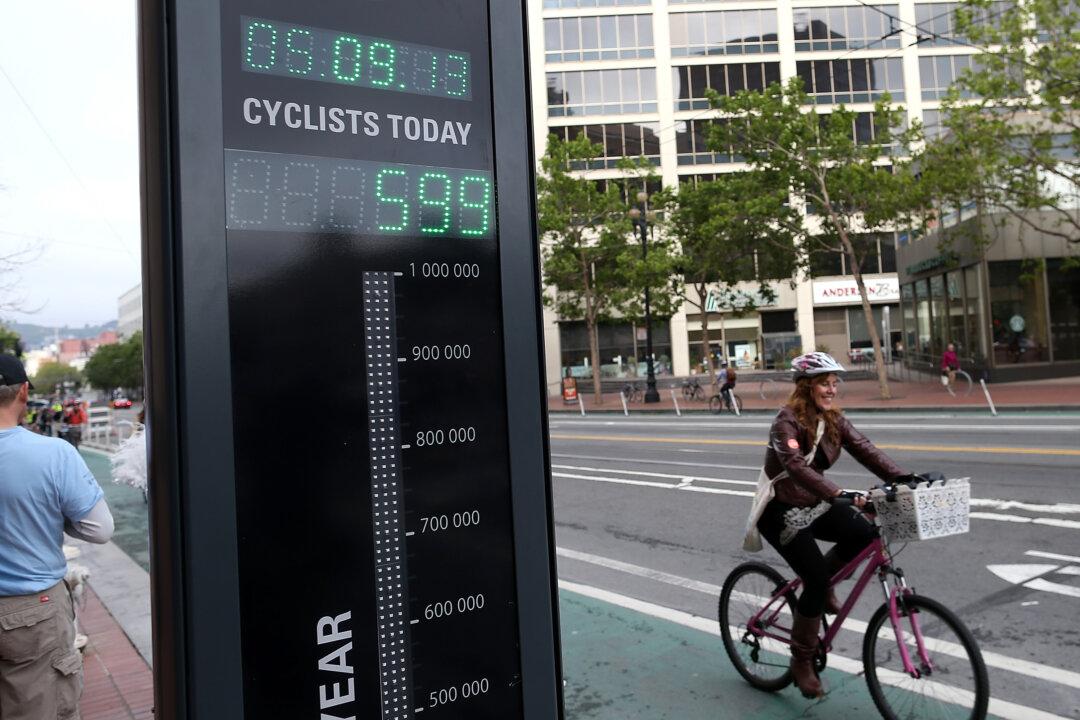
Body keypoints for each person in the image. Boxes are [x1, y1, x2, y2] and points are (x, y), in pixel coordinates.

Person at [753, 351, 906, 699]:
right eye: (825, 383)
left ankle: (822, 590)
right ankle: (801, 660)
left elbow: (864, 448)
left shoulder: (834, 420)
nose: (832, 389)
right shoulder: (785, 423)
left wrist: (904, 477)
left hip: (815, 501)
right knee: (816, 579)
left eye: (835, 383)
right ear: (806, 386)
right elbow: (795, 466)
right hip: (780, 509)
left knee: (864, 534)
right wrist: (838, 493)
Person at [0, 354, 114, 719]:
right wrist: (53, 518)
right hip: (30, 611)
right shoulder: (52, 453)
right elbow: (100, 529)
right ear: (23, 391)